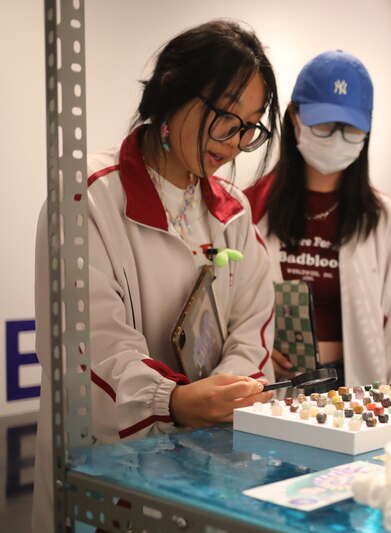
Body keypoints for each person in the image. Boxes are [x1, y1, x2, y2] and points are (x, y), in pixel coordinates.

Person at [33, 21, 280, 532]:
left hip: (208, 469)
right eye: (224, 117)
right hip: (107, 474)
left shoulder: (234, 213)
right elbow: (89, 349)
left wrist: (228, 394)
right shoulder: (89, 197)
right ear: (171, 89)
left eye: (249, 127)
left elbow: (253, 328)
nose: (235, 144)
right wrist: (171, 401)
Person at [244, 50, 391, 388]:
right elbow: (226, 315)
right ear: (295, 117)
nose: (337, 137)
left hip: (354, 389)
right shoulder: (251, 208)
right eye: (325, 125)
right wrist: (253, 351)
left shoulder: (383, 219)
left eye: (351, 128)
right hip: (272, 386)